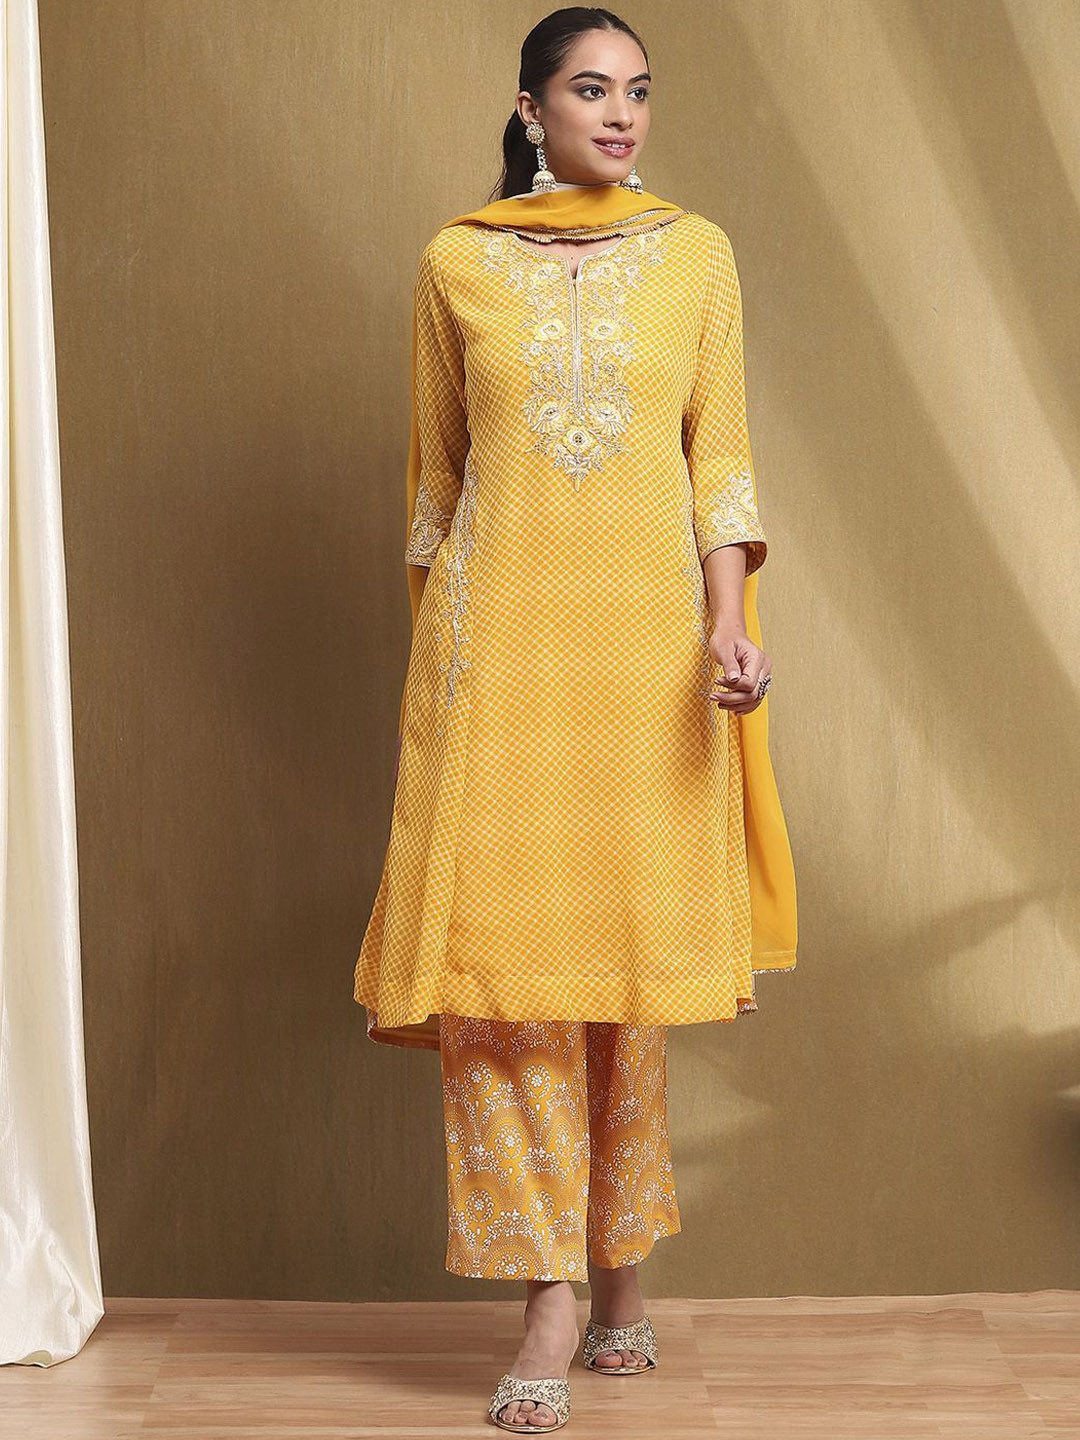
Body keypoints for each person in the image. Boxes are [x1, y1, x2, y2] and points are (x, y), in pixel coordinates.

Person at [353, 7, 798, 1431]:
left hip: (647, 659)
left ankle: (619, 1278)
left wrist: (729, 627)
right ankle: (550, 1291)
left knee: (618, 967)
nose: (621, 115)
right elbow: (435, 491)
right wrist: (442, 675)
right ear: (530, 110)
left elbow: (721, 468)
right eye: (592, 90)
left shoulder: (697, 256)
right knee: (509, 979)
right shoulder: (457, 261)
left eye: (638, 92)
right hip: (501, 655)